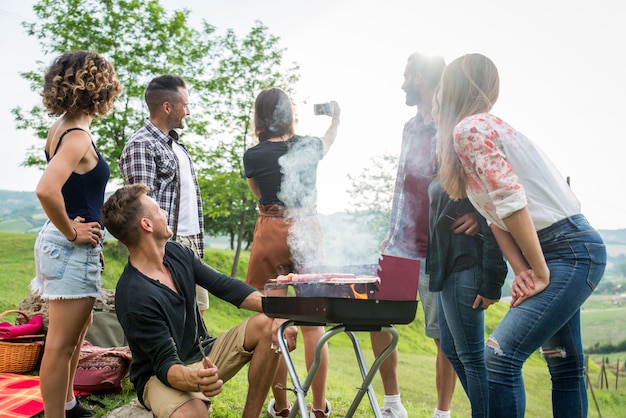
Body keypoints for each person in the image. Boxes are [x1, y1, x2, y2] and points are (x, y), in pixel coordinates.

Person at [436, 53, 607, 418]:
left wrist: (540, 271)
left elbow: (512, 202)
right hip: (550, 251)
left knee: (499, 356)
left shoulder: (471, 130)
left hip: (570, 250)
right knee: (564, 364)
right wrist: (522, 267)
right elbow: (496, 216)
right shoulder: (480, 131)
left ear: (451, 90)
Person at [101, 183, 298, 418]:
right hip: (159, 375)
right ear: (147, 225)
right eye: (158, 209)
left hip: (204, 353)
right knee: (194, 414)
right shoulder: (134, 295)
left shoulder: (176, 252)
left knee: (269, 325)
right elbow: (165, 365)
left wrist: (282, 310)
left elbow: (225, 287)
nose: (164, 212)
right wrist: (193, 379)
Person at [374, 51, 468, 418]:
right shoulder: (409, 127)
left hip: (438, 249)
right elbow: (403, 184)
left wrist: (475, 216)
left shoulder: (454, 123)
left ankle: (442, 413)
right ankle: (393, 404)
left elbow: (470, 178)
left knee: (442, 335)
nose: (401, 83)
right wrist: (392, 231)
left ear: (419, 79)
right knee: (377, 317)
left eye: (406, 76)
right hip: (401, 243)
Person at [31, 50, 122, 418]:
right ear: (99, 88)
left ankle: (67, 403)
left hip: (73, 247)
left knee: (78, 330)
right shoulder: (78, 136)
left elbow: (73, 194)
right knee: (60, 344)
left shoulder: (63, 128)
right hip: (67, 246)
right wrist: (72, 233)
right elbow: (46, 189)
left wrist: (86, 238)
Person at [242, 87, 340, 418]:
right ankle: (317, 408)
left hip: (271, 228)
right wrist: (336, 118)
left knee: (275, 322)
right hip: (307, 229)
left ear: (260, 117)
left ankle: (282, 408)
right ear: (290, 113)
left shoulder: (253, 155)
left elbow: (258, 194)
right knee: (314, 325)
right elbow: (328, 140)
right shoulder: (308, 146)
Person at [428, 86, 508, 417]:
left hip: (467, 266)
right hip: (448, 268)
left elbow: (495, 199)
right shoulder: (446, 148)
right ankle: (488, 409)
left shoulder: (466, 142)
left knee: (472, 355)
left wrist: (493, 279)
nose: (433, 106)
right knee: (450, 347)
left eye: (436, 101)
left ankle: (490, 411)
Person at [119, 75, 209, 316]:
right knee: (173, 318)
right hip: (166, 248)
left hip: (190, 245)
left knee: (197, 316)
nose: (188, 112)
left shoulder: (176, 146)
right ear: (167, 107)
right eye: (185, 105)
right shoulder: (142, 145)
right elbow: (142, 212)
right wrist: (159, 256)